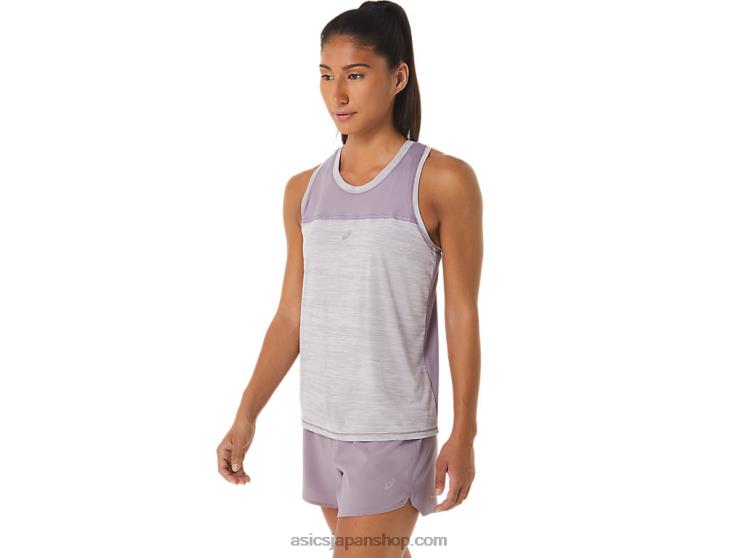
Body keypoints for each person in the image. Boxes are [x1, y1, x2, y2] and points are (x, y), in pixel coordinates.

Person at [217, 2, 482, 555]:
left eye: (355, 76)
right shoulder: (304, 190)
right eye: (326, 75)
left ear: (398, 77)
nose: (337, 94)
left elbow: (461, 313)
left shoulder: (442, 180)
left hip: (392, 429)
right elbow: (291, 315)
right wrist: (246, 413)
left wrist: (465, 430)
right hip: (322, 422)